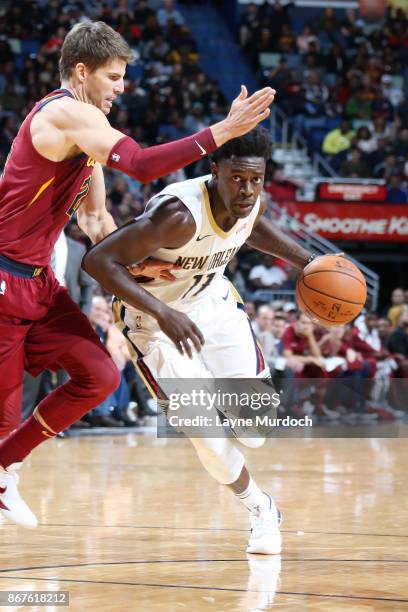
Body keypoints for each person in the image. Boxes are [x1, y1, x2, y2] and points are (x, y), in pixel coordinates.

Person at [0, 20, 276, 527]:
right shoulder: (65, 113)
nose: (122, 87)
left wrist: (132, 270)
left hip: (37, 282)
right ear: (81, 72)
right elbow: (145, 166)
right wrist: (223, 132)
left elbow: (95, 221)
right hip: (2, 279)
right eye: (113, 77)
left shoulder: (87, 141)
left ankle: (2, 468)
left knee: (100, 375)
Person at [82, 126, 316, 555]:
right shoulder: (177, 215)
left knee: (255, 431)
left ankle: (226, 403)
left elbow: (251, 226)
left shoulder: (249, 201)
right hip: (155, 325)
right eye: (237, 179)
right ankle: (261, 510)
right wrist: (163, 312)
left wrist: (308, 261)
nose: (247, 190)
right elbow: (98, 261)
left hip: (214, 307)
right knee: (205, 433)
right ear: (215, 171)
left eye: (255, 180)